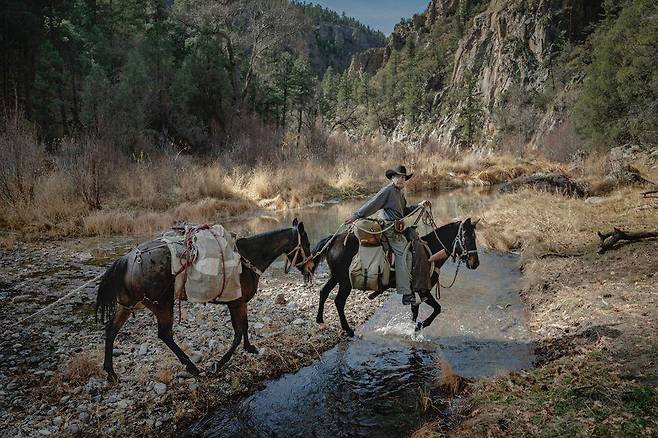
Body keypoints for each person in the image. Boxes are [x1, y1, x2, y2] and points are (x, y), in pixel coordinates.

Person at [344, 165, 431, 305]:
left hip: (398, 229)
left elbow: (404, 211)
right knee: (405, 255)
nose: (402, 179)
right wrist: (356, 215)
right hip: (390, 230)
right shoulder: (388, 190)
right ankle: (406, 293)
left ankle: (416, 286)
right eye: (398, 176)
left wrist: (419, 206)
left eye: (403, 177)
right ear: (392, 178)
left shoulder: (399, 193)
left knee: (416, 244)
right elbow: (373, 203)